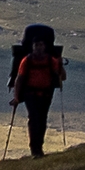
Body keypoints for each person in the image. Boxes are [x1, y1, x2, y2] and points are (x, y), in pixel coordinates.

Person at [10, 23, 68, 158]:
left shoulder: (51, 61)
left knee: (41, 120)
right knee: (35, 119)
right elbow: (19, 79)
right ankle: (35, 149)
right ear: (33, 46)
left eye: (41, 45)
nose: (39, 48)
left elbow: (63, 77)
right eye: (37, 45)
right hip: (31, 94)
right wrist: (17, 97)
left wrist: (60, 65)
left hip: (46, 94)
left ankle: (38, 148)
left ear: (45, 46)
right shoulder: (27, 61)